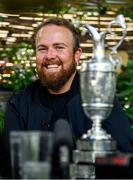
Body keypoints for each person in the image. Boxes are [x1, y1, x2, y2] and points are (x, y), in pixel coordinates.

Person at [0, 17, 133, 178]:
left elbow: (124, 158)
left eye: (59, 47)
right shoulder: (19, 104)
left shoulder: (99, 99)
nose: (50, 55)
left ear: (77, 55)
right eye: (42, 49)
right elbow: (10, 169)